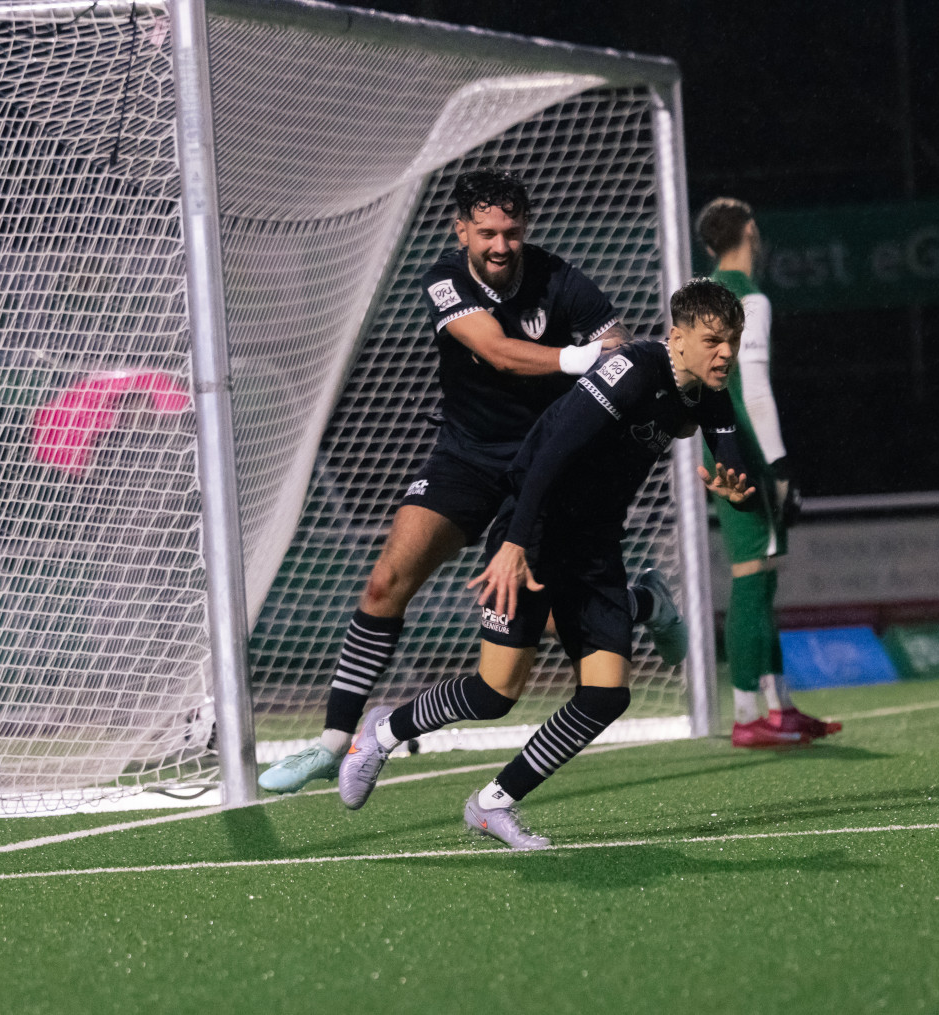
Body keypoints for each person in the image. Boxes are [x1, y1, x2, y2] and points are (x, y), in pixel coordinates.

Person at [260, 169, 687, 794]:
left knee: (545, 627)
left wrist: (612, 356)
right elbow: (498, 352)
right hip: (465, 458)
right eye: (486, 232)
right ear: (462, 230)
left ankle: (641, 601)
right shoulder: (444, 278)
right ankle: (331, 745)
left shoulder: (560, 279)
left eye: (512, 232)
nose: (500, 245)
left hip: (546, 468)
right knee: (385, 583)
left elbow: (616, 343)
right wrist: (589, 358)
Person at [337, 278, 755, 849]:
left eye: (732, 340)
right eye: (713, 340)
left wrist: (738, 492)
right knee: (495, 694)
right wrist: (512, 541)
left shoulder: (710, 392)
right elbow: (553, 448)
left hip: (595, 545)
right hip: (533, 533)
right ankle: (382, 733)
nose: (726, 353)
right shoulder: (632, 370)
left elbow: (735, 469)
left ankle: (492, 804)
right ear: (677, 338)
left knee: (607, 695)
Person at [695, 197, 841, 748]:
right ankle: (748, 714)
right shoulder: (748, 297)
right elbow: (753, 387)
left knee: (763, 572)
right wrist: (778, 465)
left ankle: (778, 707)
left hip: (716, 445)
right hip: (747, 450)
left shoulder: (699, 295)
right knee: (751, 575)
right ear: (750, 231)